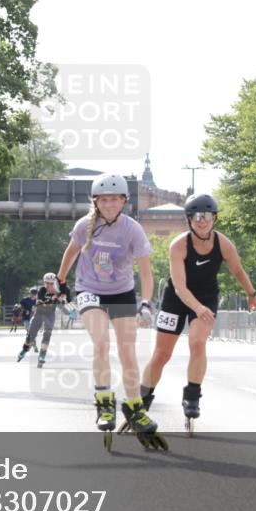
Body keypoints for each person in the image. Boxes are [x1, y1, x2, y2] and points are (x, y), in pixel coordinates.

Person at [56, 173, 166, 450]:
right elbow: (71, 253)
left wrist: (145, 302)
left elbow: (146, 272)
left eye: (115, 199)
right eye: (104, 200)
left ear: (124, 201)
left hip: (122, 292)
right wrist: (59, 282)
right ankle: (104, 402)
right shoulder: (85, 226)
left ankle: (134, 407)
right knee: (101, 343)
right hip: (89, 289)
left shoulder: (133, 229)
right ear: (96, 201)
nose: (109, 204)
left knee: (127, 351)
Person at [140, 193, 256, 433]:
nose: (201, 221)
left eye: (206, 216)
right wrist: (196, 307)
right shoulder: (179, 245)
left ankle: (192, 395)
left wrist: (252, 293)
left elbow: (237, 269)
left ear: (214, 218)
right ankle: (141, 402)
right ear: (189, 219)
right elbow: (180, 286)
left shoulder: (223, 243)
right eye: (196, 216)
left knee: (197, 342)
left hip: (206, 298)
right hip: (177, 298)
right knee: (162, 354)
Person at [17, 273, 66, 367]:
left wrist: (61, 302)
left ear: (55, 283)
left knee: (47, 334)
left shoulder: (58, 292)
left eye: (51, 283)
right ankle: (24, 350)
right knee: (31, 336)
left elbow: (62, 306)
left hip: (50, 315)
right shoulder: (41, 291)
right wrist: (52, 300)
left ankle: (42, 355)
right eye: (47, 283)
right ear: (44, 283)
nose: (49, 285)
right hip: (39, 313)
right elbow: (39, 304)